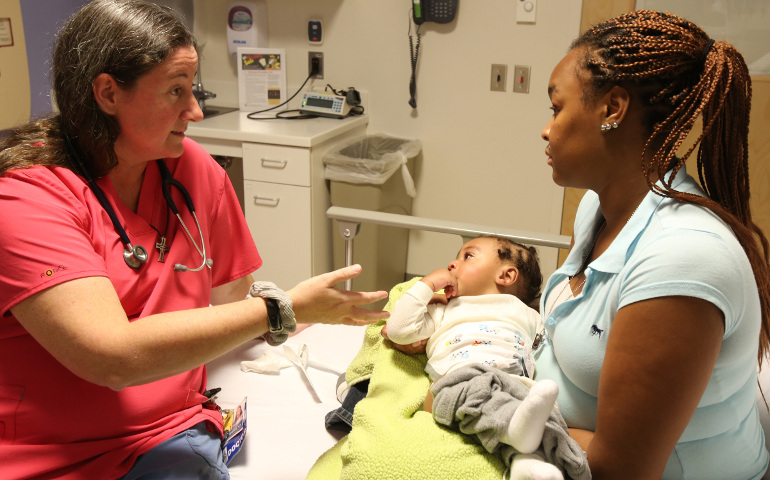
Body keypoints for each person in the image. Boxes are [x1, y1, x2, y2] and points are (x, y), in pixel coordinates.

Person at [0, 1, 388, 479]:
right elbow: (110, 357)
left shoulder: (193, 171)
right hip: (56, 453)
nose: (196, 111)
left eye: (194, 89)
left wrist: (304, 318)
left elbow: (234, 299)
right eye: (175, 92)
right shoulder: (26, 198)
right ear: (107, 93)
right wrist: (280, 308)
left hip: (173, 431)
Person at [533, 10, 770, 480]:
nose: (547, 128)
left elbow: (620, 471)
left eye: (557, 108)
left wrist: (504, 410)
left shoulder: (683, 259)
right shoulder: (599, 210)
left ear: (612, 109)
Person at [386, 236, 589, 480]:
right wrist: (427, 284)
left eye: (467, 256)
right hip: (460, 379)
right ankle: (519, 437)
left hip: (513, 382)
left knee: (548, 416)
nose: (452, 263)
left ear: (506, 276)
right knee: (485, 398)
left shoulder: (528, 314)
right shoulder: (442, 308)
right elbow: (398, 329)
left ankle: (526, 464)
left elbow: (552, 342)